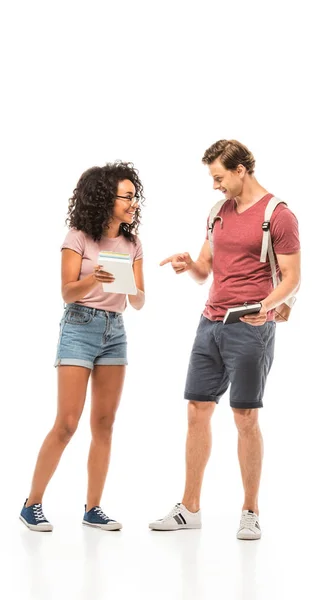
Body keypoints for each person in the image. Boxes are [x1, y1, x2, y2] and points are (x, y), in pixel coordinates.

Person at [150, 140, 300, 539]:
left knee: (245, 416)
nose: (215, 185)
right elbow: (205, 268)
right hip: (210, 323)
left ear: (240, 170)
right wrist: (190, 266)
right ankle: (189, 508)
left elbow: (292, 278)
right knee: (197, 410)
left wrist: (265, 307)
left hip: (251, 328)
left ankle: (250, 511)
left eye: (219, 177)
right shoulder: (217, 213)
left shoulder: (278, 215)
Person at [20, 161, 145, 532]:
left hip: (115, 331)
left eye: (135, 197)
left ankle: (93, 509)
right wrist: (95, 279)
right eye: (127, 196)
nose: (133, 203)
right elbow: (66, 290)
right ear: (106, 198)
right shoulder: (78, 236)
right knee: (67, 424)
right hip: (79, 325)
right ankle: (32, 503)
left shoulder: (133, 243)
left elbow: (138, 301)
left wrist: (129, 286)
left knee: (104, 424)